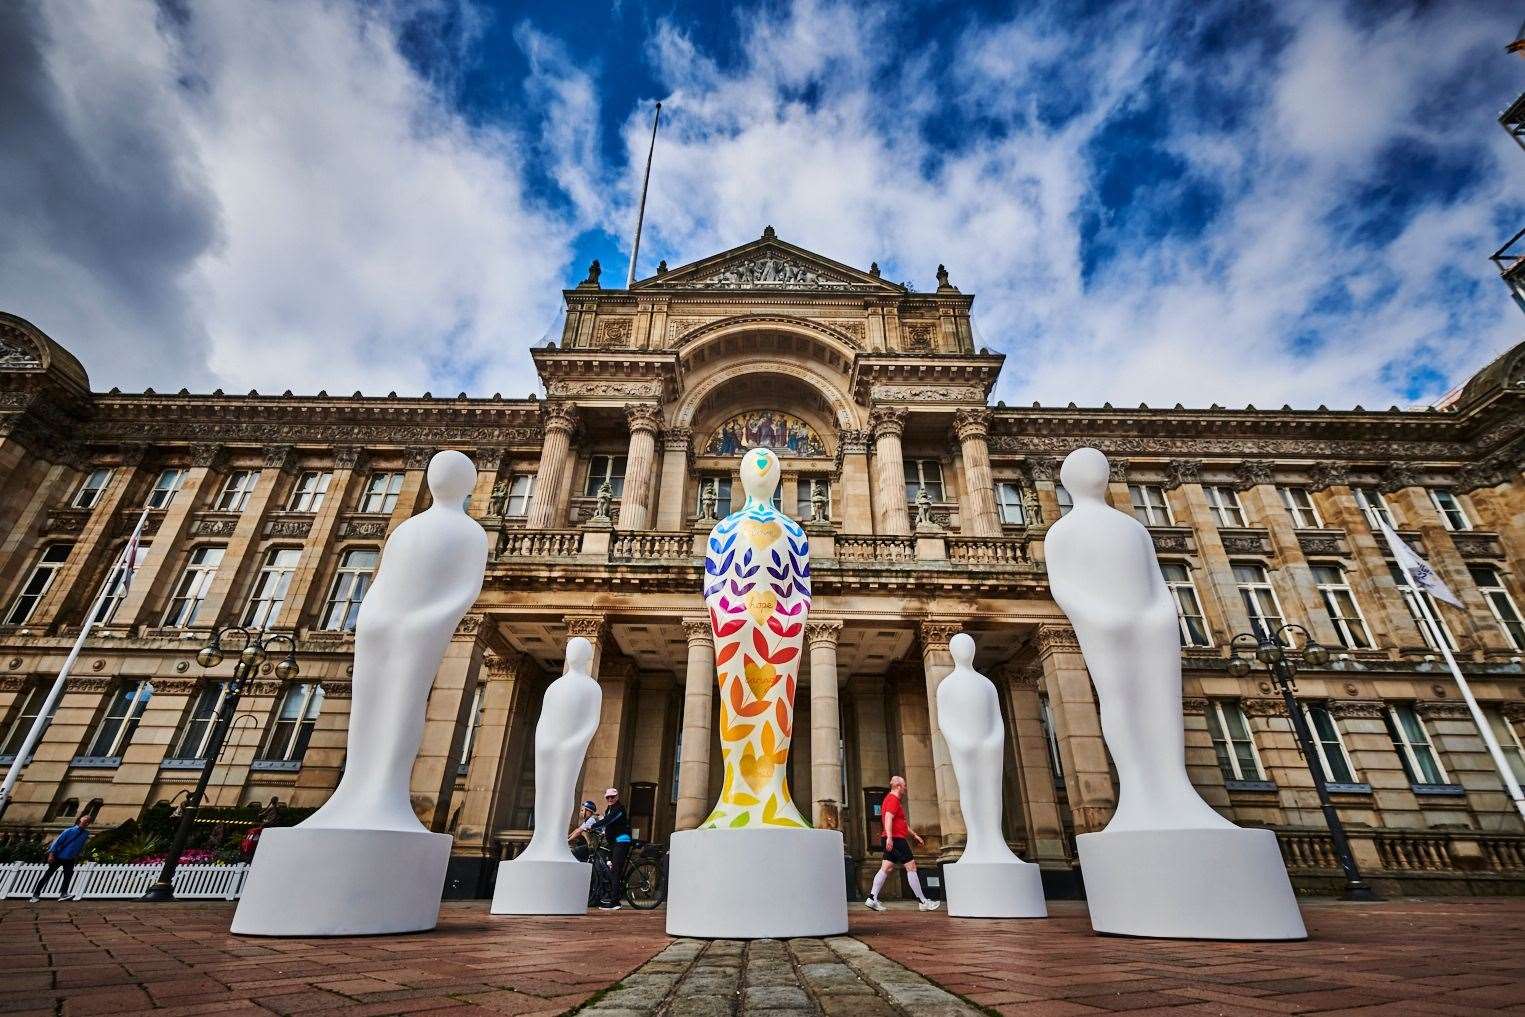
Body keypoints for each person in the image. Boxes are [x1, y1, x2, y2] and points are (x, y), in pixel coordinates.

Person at [864, 775, 940, 912]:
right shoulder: (893, 799)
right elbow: (888, 818)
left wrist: (915, 835)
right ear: (898, 786)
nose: (906, 787)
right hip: (896, 839)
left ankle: (872, 898)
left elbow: (902, 823)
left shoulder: (891, 799)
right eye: (904, 785)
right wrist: (890, 837)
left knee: (885, 868)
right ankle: (923, 901)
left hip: (892, 838)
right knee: (911, 867)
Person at [29, 815, 92, 903]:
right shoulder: (69, 831)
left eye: (88, 822)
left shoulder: (85, 834)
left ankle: (63, 894)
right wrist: (51, 855)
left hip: (70, 858)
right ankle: (35, 895)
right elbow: (57, 843)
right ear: (80, 820)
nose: (86, 823)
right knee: (47, 875)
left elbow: (80, 846)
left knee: (68, 876)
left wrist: (77, 855)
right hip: (58, 856)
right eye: (85, 821)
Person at [589, 787, 631, 910]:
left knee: (616, 870)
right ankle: (611, 896)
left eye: (612, 797)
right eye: (608, 797)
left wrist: (593, 825)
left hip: (622, 841)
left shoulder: (619, 809)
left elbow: (609, 820)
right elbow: (609, 823)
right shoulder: (609, 809)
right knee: (612, 868)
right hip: (613, 842)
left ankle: (615, 902)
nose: (610, 799)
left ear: (617, 797)